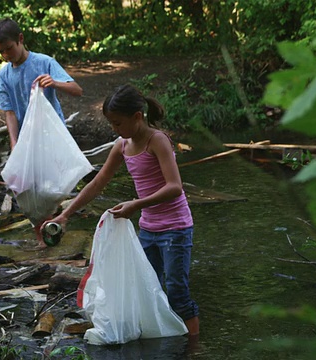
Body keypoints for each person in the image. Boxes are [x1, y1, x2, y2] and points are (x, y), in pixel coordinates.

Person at [45, 84, 200, 336]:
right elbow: (97, 183)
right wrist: (65, 214)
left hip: (176, 229)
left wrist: (135, 204)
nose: (114, 129)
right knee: (149, 290)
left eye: (118, 123)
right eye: (112, 124)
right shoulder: (122, 145)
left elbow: (174, 186)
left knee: (177, 292)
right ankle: (164, 338)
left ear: (137, 117)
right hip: (148, 230)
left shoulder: (157, 140)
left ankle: (194, 348)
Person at [0, 18, 83, 248]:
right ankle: (42, 240)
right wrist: (15, 146)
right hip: (27, 141)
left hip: (52, 137)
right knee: (27, 191)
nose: (5, 55)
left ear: (20, 39)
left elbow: (77, 90)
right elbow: (9, 113)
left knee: (52, 189)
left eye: (8, 48)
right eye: (0, 51)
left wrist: (55, 83)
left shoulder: (44, 63)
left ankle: (55, 229)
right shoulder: (4, 76)